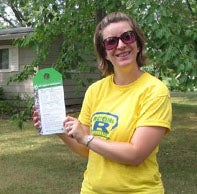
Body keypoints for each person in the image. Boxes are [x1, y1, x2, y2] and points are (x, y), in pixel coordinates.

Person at [33, 12, 172, 194]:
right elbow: (87, 149)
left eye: (127, 37)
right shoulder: (95, 90)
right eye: (111, 41)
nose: (121, 45)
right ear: (105, 52)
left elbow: (136, 154)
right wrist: (58, 129)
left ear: (138, 44)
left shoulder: (155, 91)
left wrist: (87, 138)